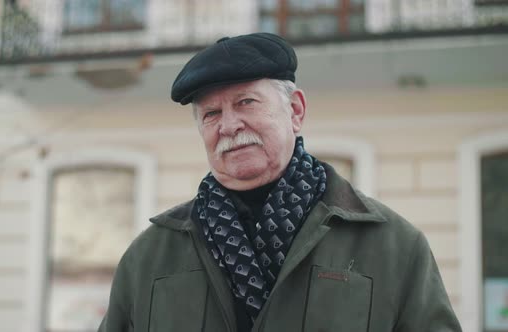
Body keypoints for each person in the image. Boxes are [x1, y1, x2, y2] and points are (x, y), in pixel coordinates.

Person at [98, 33, 462, 332]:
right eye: (211, 113)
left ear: (296, 111)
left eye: (246, 102)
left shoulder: (395, 247)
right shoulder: (147, 258)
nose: (229, 125)